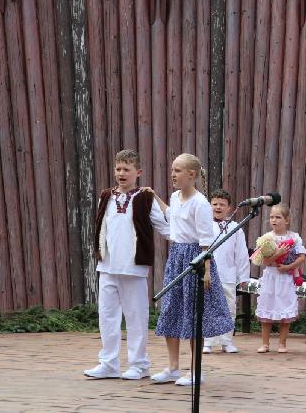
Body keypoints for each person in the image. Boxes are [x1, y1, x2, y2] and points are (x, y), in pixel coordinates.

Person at [84, 149, 170, 380]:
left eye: (127, 169)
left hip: (133, 268)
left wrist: (188, 236)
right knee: (107, 316)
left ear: (138, 172)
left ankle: (139, 364)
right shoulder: (106, 196)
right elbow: (102, 228)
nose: (122, 173)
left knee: (136, 316)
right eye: (118, 169)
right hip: (108, 267)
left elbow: (165, 227)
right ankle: (109, 363)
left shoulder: (145, 198)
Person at [150, 153, 234, 386]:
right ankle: (173, 367)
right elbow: (171, 216)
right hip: (176, 258)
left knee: (193, 315)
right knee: (170, 310)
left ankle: (195, 371)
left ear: (191, 174)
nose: (173, 174)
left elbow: (206, 240)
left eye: (177, 170)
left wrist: (206, 270)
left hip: (195, 259)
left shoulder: (201, 203)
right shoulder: (176, 197)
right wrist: (154, 197)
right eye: (172, 169)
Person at [203, 189, 250, 354]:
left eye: (222, 204)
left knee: (229, 307)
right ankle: (208, 342)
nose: (218, 207)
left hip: (228, 275)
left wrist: (243, 276)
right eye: (214, 204)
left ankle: (227, 341)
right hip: (208, 274)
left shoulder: (235, 227)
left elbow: (242, 253)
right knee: (208, 307)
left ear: (229, 208)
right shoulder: (205, 225)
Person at [254, 204, 306, 353]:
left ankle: (282, 343)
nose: (274, 220)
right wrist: (277, 254)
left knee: (285, 307)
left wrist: (288, 267)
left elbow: (301, 257)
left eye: (278, 217)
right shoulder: (267, 238)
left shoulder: (294, 237)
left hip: (285, 277)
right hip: (271, 276)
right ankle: (265, 343)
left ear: (287, 220)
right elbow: (264, 261)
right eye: (272, 217)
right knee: (267, 306)